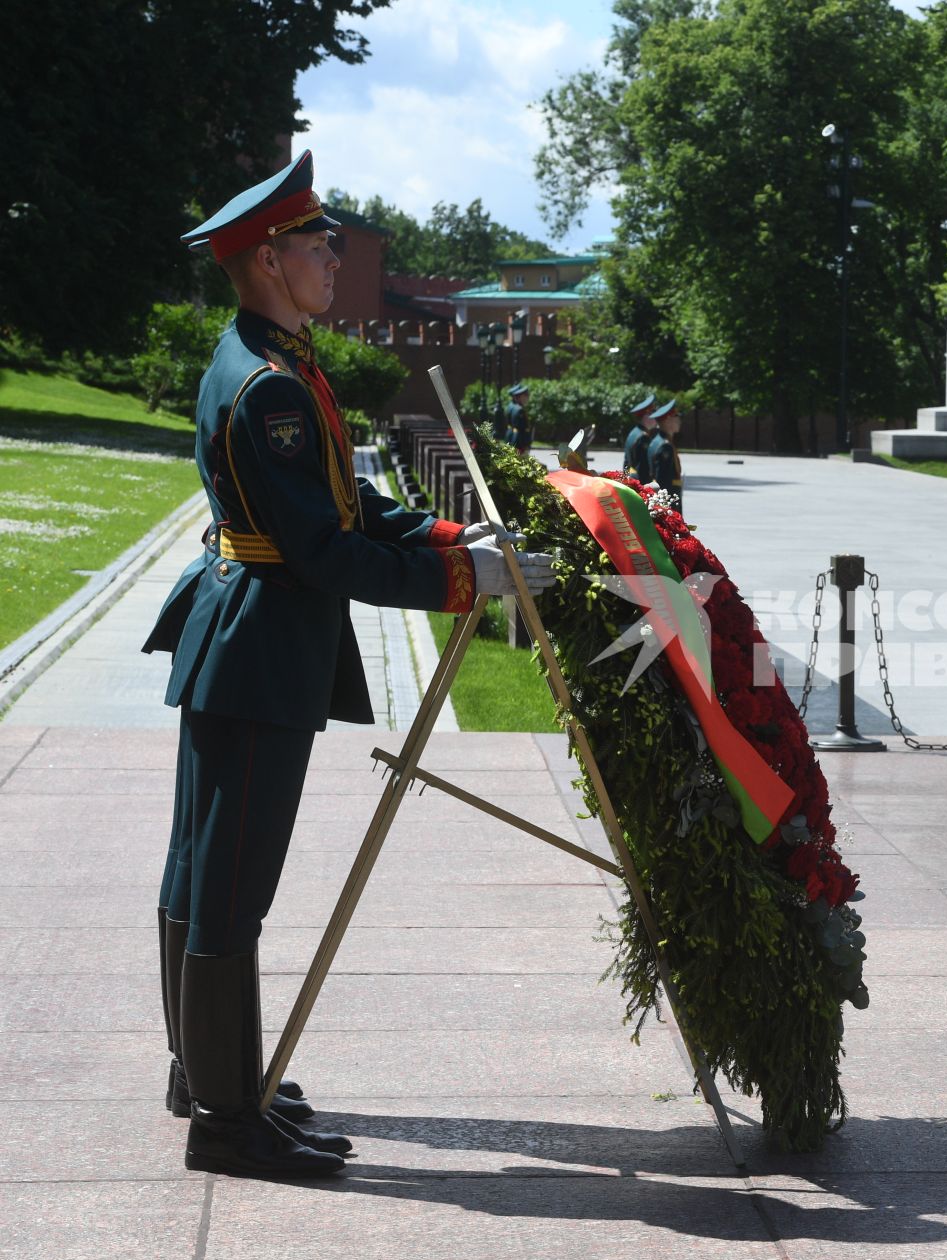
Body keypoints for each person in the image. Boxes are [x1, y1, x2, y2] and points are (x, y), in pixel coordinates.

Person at [145, 151, 557, 1178]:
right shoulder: (270, 390)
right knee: (227, 879)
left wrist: (444, 537)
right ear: (271, 260)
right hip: (258, 646)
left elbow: (349, 505)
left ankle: (206, 1070)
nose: (335, 256)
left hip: (244, 635)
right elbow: (325, 553)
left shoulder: (273, 359)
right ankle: (226, 1119)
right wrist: (469, 585)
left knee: (202, 869)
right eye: (319, 245)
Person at [647, 398, 684, 510]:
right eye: (676, 417)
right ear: (668, 420)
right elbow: (663, 481)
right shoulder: (665, 446)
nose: (679, 421)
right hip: (669, 500)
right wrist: (665, 507)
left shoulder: (658, 441)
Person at [621, 395, 657, 480]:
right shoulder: (643, 437)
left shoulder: (635, 432)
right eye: (653, 414)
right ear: (645, 416)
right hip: (639, 481)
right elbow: (643, 469)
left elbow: (626, 464)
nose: (656, 418)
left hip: (632, 478)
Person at [504, 382, 533, 457]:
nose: (527, 397)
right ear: (519, 397)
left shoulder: (512, 407)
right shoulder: (519, 410)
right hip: (519, 441)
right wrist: (526, 444)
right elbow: (521, 429)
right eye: (525, 395)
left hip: (512, 437)